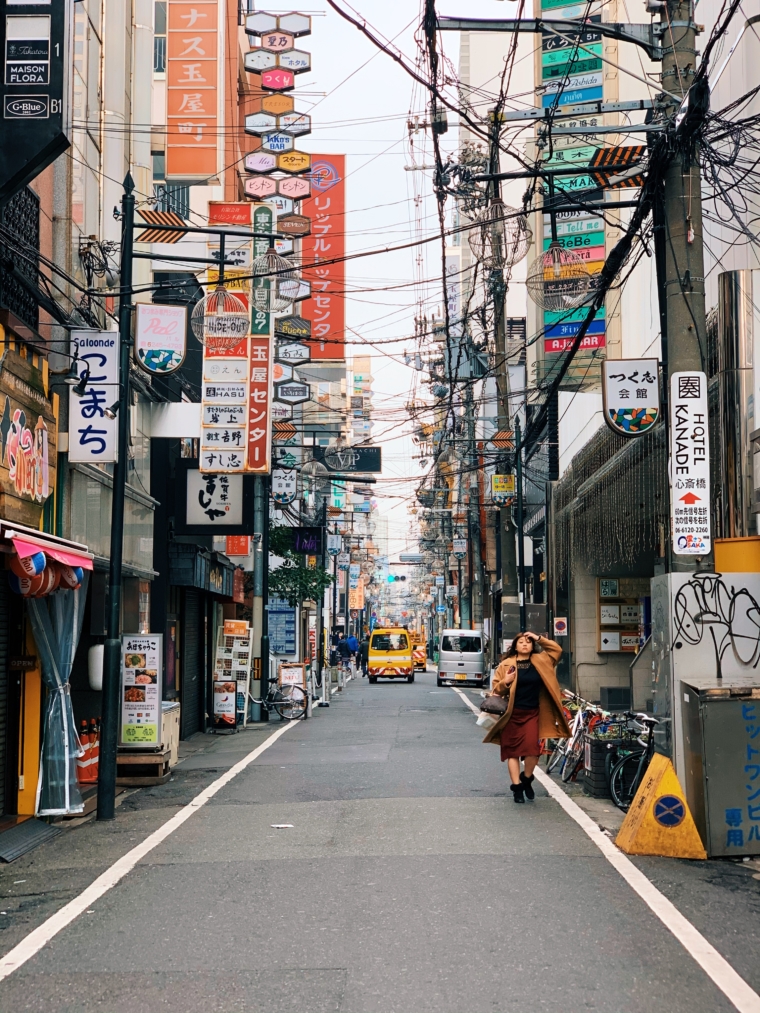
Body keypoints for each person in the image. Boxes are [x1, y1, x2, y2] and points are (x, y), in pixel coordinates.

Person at [482, 631, 571, 803]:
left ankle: (526, 778)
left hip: (533, 713)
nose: (524, 644)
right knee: (512, 753)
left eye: (528, 642)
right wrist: (506, 681)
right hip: (511, 715)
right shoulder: (506, 664)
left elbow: (557, 650)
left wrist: (538, 637)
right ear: (515, 646)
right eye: (521, 642)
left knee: (533, 751)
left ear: (532, 646)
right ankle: (517, 789)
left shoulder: (542, 660)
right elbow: (496, 691)